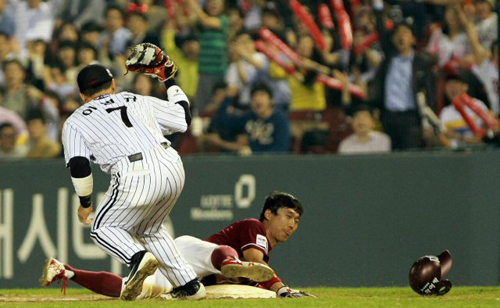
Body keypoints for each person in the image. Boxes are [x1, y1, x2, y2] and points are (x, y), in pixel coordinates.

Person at [60, 45, 205, 301]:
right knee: (149, 229)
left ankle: (137, 258)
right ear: (113, 84)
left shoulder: (76, 119)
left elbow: (80, 165)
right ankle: (189, 285)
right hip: (172, 165)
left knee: (102, 227)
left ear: (82, 95)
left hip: (134, 172)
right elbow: (183, 118)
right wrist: (169, 78)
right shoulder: (136, 99)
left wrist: (85, 203)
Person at [40, 191, 314, 299]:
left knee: (131, 291)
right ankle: (230, 264)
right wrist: (282, 289)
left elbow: (257, 269)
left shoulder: (262, 237)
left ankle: (67, 271)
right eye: (288, 216)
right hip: (192, 255)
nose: (292, 224)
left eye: (297, 221)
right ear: (269, 214)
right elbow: (257, 262)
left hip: (187, 274)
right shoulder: (255, 227)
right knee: (225, 259)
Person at [370, 0, 436, 150]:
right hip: (389, 118)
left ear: (413, 39)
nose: (401, 37)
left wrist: (429, 123)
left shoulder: (421, 63)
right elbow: (381, 30)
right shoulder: (388, 59)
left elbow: (429, 93)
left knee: (410, 159)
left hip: (411, 119)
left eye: (405, 33)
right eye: (397, 34)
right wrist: (378, 6)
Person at [201, 82, 290, 154]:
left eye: (262, 95)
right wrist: (228, 98)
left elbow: (281, 149)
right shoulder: (249, 117)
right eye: (254, 96)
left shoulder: (279, 119)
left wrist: (255, 154)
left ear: (271, 100)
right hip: (249, 164)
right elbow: (223, 123)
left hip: (272, 165)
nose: (257, 99)